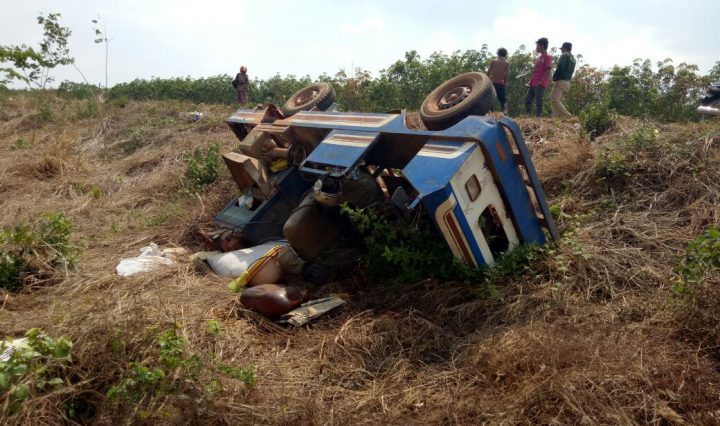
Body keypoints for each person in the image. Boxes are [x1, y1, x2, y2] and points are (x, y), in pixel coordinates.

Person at [525, 37, 553, 117]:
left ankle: (538, 116)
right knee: (527, 99)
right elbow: (535, 70)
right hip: (533, 82)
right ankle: (527, 115)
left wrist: (541, 81)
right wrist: (530, 80)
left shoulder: (548, 57)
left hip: (540, 83)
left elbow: (548, 70)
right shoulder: (539, 57)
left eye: (537, 46)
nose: (536, 48)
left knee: (538, 101)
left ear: (542, 46)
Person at [551, 42, 576, 118]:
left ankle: (568, 116)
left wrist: (555, 76)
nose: (561, 50)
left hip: (561, 81)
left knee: (554, 99)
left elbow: (560, 66)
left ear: (564, 48)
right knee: (557, 102)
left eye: (562, 49)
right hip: (568, 82)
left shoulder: (565, 55)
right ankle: (554, 119)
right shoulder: (573, 59)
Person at [488, 48, 510, 113]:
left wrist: (487, 80)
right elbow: (506, 74)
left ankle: (490, 112)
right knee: (503, 99)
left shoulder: (493, 61)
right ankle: (504, 111)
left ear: (498, 53)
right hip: (500, 83)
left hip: (492, 83)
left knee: (490, 99)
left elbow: (488, 72)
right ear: (505, 54)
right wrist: (505, 83)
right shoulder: (507, 63)